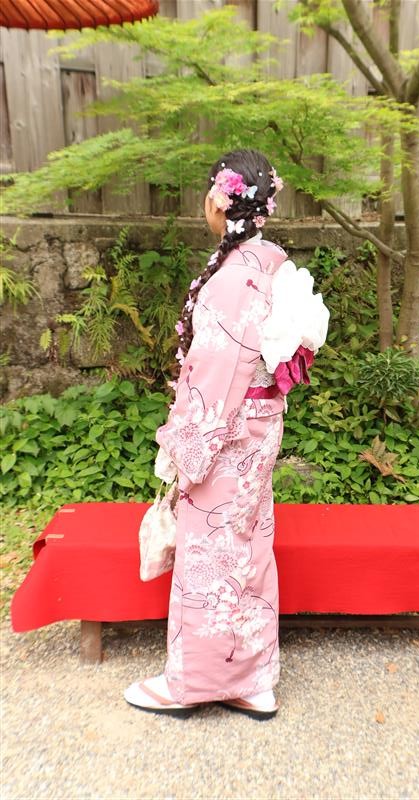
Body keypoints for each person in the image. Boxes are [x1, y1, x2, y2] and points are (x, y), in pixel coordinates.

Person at [123, 148, 328, 720]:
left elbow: (214, 374)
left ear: (218, 200)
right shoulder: (271, 262)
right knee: (250, 547)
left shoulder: (233, 279)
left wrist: (182, 449)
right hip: (259, 428)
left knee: (208, 553)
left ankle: (193, 682)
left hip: (226, 433)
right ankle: (252, 680)